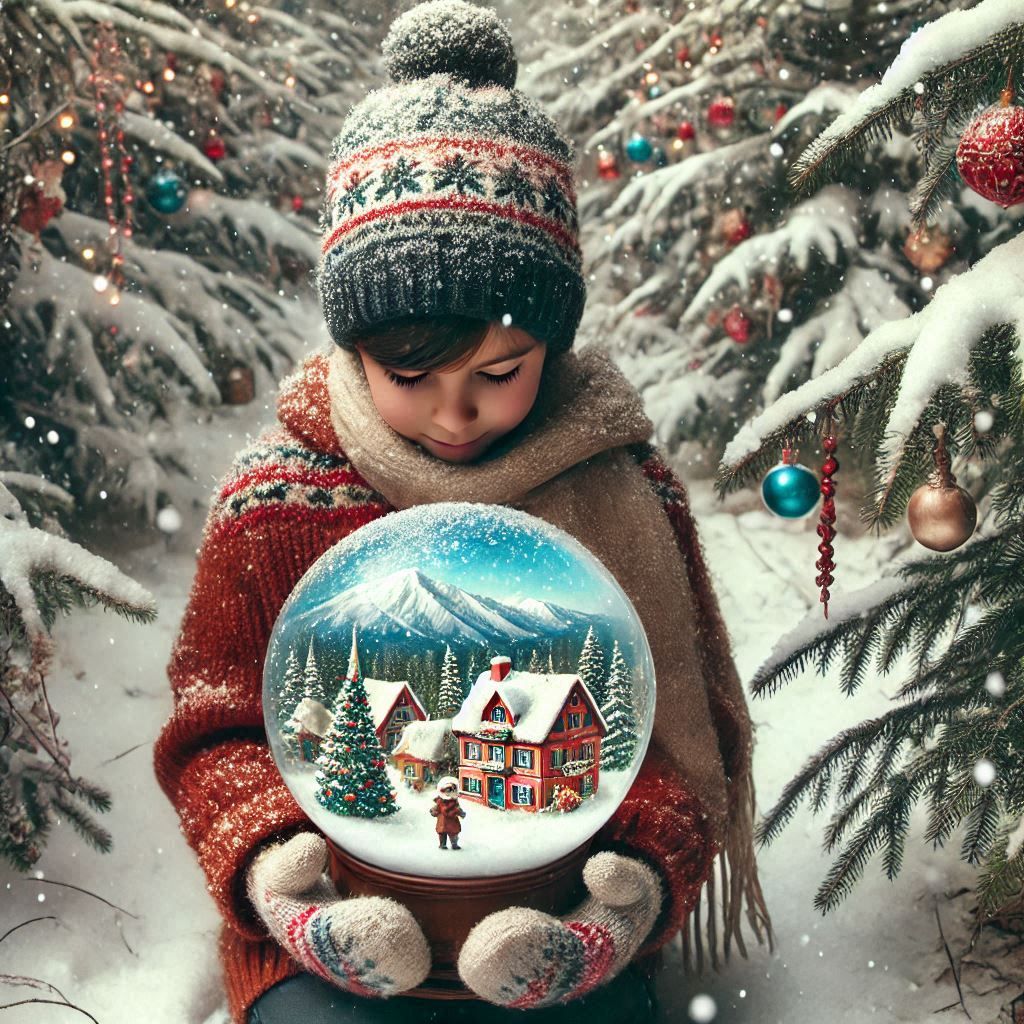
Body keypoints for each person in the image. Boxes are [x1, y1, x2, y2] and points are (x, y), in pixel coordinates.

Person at [153, 3, 771, 1023]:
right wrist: (276, 870)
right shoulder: (281, 498)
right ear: (352, 346)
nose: (455, 413)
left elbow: (668, 734)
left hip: (555, 923)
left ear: (552, 346)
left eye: (500, 371)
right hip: (328, 931)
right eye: (410, 375)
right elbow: (214, 725)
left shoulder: (622, 491)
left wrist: (624, 900)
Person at [430, 776, 467, 850]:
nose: (451, 793)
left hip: (447, 822)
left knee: (451, 834)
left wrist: (461, 812)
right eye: (449, 791)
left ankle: (451, 844)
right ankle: (445, 844)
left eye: (453, 791)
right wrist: (433, 811)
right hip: (447, 822)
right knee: (446, 834)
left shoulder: (451, 802)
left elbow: (457, 809)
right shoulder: (441, 802)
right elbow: (436, 809)